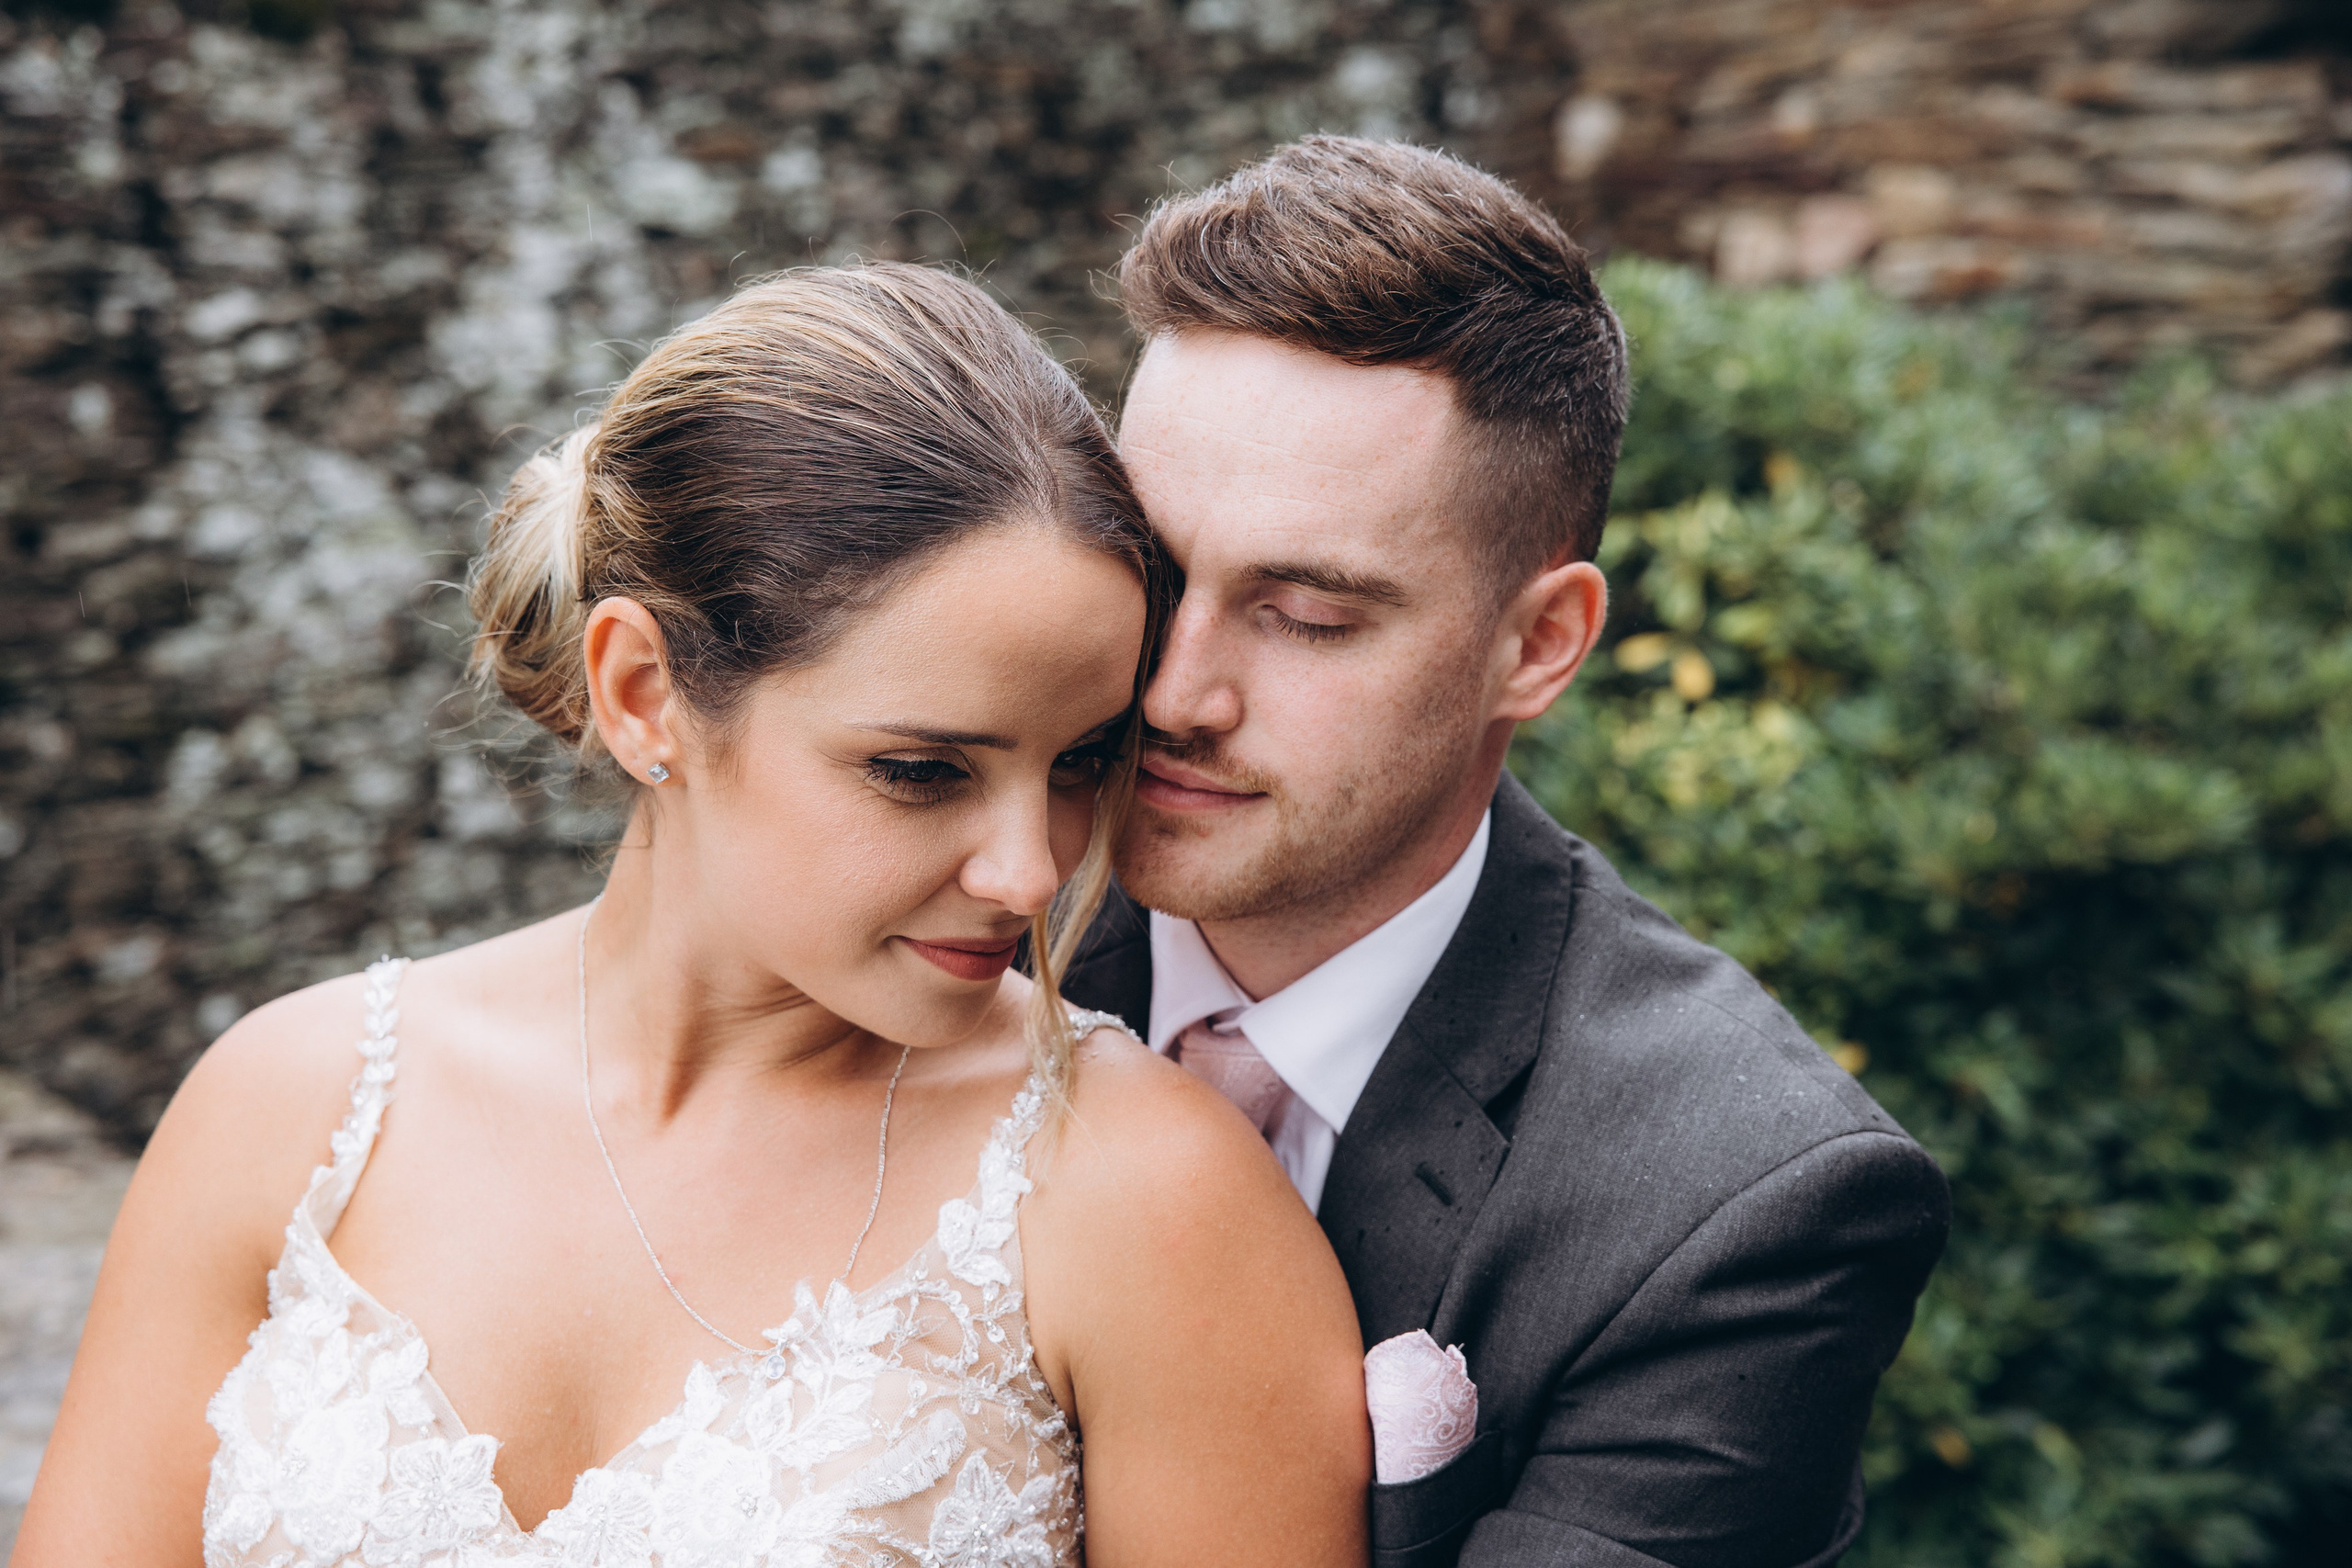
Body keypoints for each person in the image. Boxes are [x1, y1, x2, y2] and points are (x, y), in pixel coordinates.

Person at [18, 264, 1370, 1567]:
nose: (1032, 872)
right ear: (643, 693)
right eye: (920, 771)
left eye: (1080, 760)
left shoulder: (1146, 1195)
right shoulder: (292, 1109)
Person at [1061, 136, 1952, 1568]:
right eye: (1156, 572)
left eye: (1309, 615)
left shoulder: (1742, 1208)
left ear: (1539, 645)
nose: (1173, 694)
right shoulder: (922, 921)